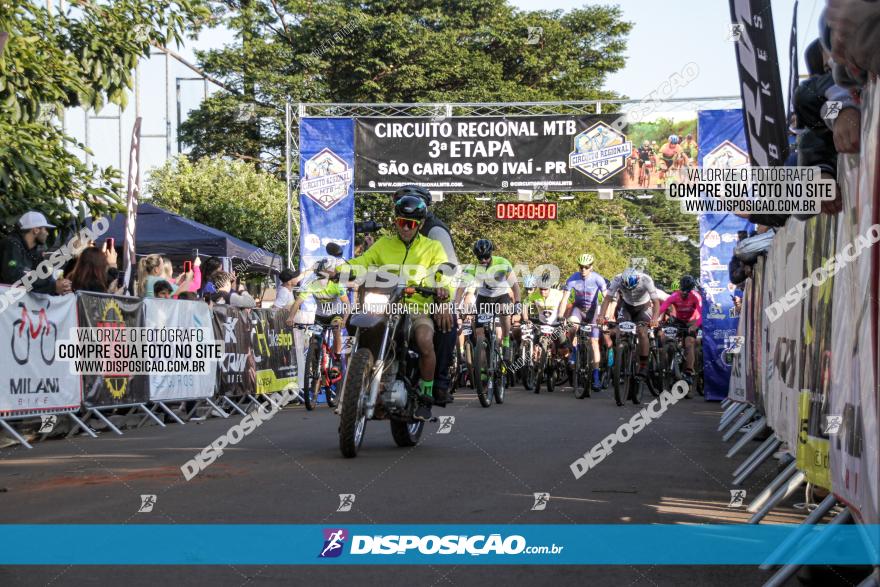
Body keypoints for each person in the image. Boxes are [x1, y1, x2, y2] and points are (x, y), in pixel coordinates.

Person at [331, 195, 452, 422]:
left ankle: (426, 396)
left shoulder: (433, 248)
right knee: (360, 329)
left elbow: (443, 272)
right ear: (395, 222)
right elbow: (363, 261)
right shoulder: (384, 244)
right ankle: (359, 385)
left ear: (420, 225)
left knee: (425, 339)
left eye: (411, 224)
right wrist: (340, 268)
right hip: (384, 305)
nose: (405, 228)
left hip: (416, 307)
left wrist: (443, 290)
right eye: (400, 222)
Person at [391, 185, 460, 406]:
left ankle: (439, 383)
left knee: (446, 324)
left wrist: (443, 303)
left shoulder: (434, 230)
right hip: (399, 298)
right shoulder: (398, 229)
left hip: (432, 295)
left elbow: (449, 268)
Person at [598, 268, 660, 388]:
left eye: (633, 287)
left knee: (642, 332)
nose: (630, 290)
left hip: (643, 307)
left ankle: (643, 364)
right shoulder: (617, 279)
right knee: (620, 331)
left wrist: (655, 318)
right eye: (627, 288)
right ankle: (622, 357)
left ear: (637, 280)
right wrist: (601, 316)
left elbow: (656, 302)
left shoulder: (646, 280)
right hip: (627, 307)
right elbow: (607, 299)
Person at [461, 239, 521, 362]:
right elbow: (460, 290)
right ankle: (482, 373)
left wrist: (518, 303)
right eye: (480, 257)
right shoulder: (472, 268)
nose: (483, 260)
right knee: (479, 336)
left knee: (504, 311)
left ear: (491, 254)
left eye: (486, 257)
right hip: (483, 299)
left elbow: (515, 287)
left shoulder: (503, 263)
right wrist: (455, 306)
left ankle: (505, 341)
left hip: (501, 296)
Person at [563, 253, 608, 391]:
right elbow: (564, 299)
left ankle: (595, 376)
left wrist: (604, 316)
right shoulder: (572, 278)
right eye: (581, 267)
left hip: (594, 311)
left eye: (586, 267)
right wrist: (561, 316)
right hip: (579, 309)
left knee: (594, 342)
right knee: (571, 326)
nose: (583, 269)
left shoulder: (598, 279)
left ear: (591, 267)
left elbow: (607, 297)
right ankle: (574, 350)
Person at [0, 211, 71, 295]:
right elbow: (14, 277)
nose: (47, 233)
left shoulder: (35, 252)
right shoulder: (11, 244)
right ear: (36, 230)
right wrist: (53, 286)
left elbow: (45, 277)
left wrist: (61, 286)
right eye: (45, 229)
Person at [285, 265, 350, 356]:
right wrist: (290, 317)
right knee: (315, 338)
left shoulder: (337, 286)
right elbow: (297, 302)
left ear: (328, 279)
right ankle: (314, 361)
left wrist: (345, 320)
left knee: (336, 330)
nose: (320, 282)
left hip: (335, 314)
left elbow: (347, 304)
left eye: (322, 279)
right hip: (319, 316)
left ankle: (337, 356)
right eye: (318, 279)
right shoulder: (312, 285)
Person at [657, 275, 703, 386]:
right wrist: (655, 319)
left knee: (689, 343)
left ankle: (688, 371)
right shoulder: (674, 296)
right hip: (678, 321)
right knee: (664, 337)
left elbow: (702, 314)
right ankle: (666, 363)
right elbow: (662, 308)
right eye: (682, 290)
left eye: (687, 291)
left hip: (691, 322)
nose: (684, 293)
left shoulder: (696, 296)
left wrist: (696, 326)